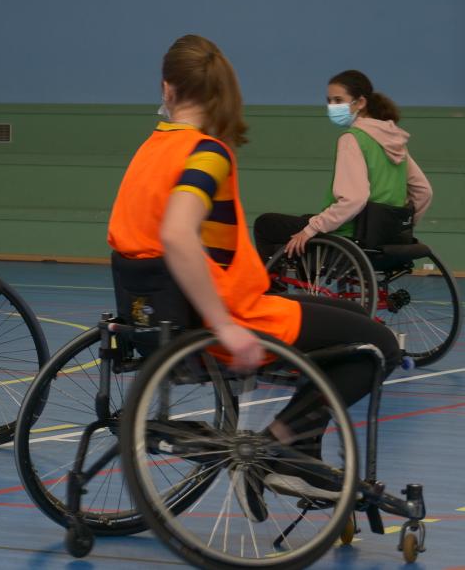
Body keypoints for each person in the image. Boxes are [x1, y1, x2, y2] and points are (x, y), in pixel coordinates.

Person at [108, 35, 401, 510]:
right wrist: (224, 324)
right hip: (229, 314)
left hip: (153, 311)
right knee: (376, 346)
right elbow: (178, 234)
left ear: (167, 89)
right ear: (222, 92)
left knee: (341, 315)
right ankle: (283, 445)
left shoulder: (150, 149)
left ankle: (292, 445)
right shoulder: (206, 153)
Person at [253, 69, 432, 259]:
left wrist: (310, 229)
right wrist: (400, 227)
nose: (332, 106)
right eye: (329, 101)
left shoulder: (352, 139)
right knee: (307, 217)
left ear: (361, 102)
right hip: (386, 238)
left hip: (350, 234)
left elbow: (354, 199)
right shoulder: (395, 141)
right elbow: (424, 192)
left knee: (266, 224)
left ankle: (272, 284)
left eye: (338, 101)